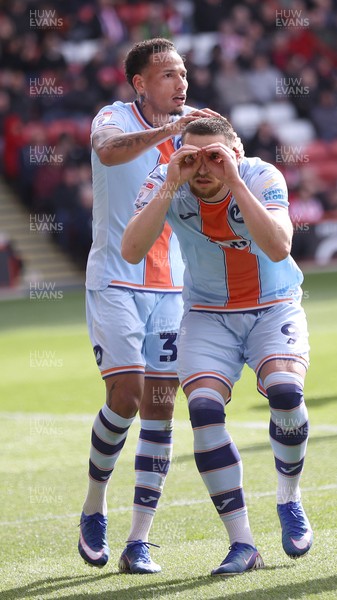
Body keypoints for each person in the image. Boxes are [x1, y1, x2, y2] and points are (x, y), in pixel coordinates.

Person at [122, 116, 312, 576]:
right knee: (204, 410)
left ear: (235, 154)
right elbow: (131, 250)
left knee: (286, 394)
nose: (202, 168)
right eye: (192, 157)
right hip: (208, 315)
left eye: (214, 157)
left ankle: (289, 497)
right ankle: (242, 543)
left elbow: (279, 246)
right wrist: (171, 180)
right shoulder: (169, 181)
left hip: (274, 306)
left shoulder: (261, 175)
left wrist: (234, 180)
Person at [78, 37, 221, 574]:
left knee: (161, 404)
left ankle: (139, 540)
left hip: (171, 287)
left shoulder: (198, 125)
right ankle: (95, 505)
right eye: (167, 74)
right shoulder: (113, 116)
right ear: (140, 83)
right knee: (127, 396)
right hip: (115, 279)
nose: (180, 82)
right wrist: (170, 133)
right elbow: (108, 150)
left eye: (183, 73)